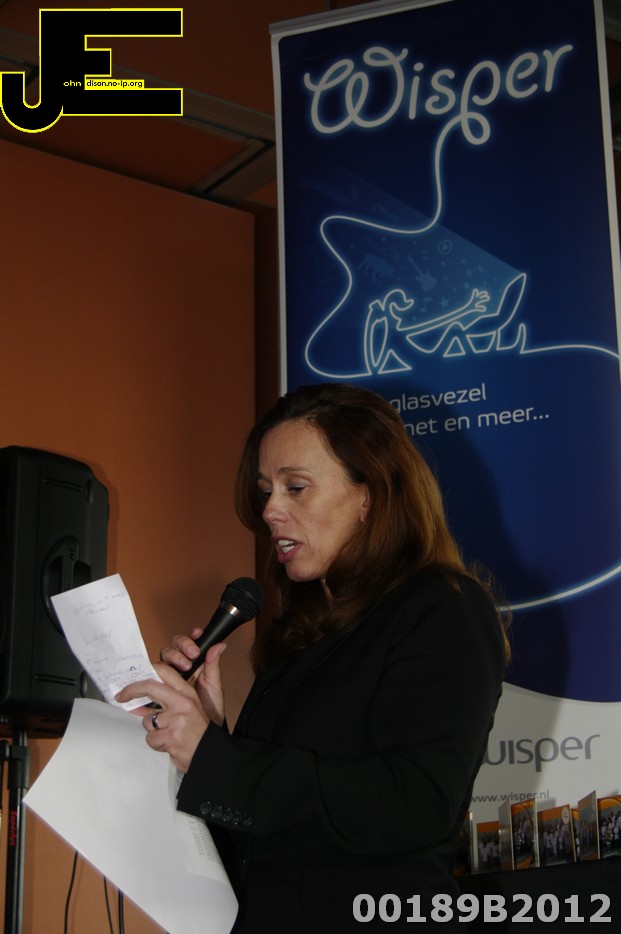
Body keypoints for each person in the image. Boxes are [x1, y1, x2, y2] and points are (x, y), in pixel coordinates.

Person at [117, 382, 509, 932]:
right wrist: (211, 729)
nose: (270, 510)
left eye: (295, 487)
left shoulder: (442, 606)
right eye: (265, 491)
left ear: (369, 494)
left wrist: (215, 758)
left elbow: (418, 804)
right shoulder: (300, 635)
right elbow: (266, 835)